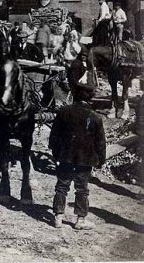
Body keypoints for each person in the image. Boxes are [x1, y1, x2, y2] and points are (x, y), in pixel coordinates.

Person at [49, 82, 106, 230]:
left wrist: (56, 154)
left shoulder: (63, 112)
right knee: (82, 189)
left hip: (65, 156)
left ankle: (58, 217)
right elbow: (100, 142)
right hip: (85, 159)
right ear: (91, 98)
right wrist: (101, 159)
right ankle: (80, 220)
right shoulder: (95, 117)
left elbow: (54, 136)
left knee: (62, 186)